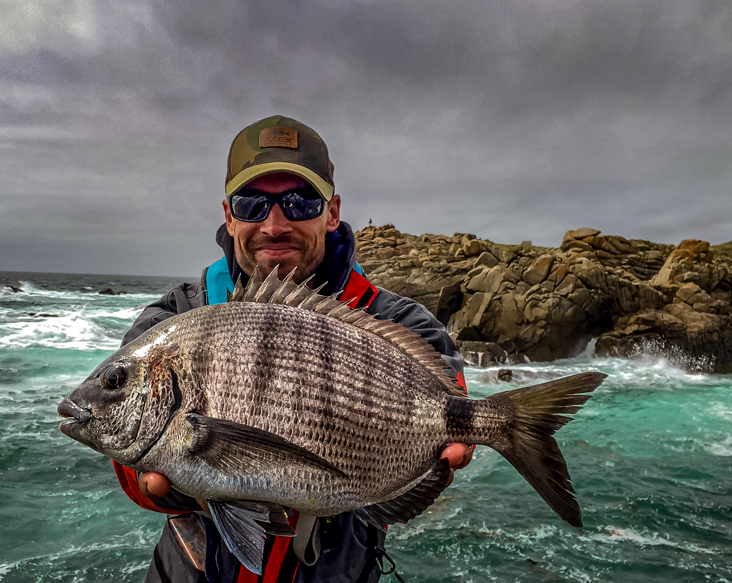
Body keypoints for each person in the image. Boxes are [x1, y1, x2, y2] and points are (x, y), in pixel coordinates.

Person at [114, 116, 473, 583]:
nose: (274, 224)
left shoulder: (401, 324)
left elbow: (454, 408)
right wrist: (173, 488)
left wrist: (442, 445)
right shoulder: (175, 319)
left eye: (301, 202)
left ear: (331, 211)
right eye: (252, 203)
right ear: (229, 215)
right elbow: (124, 445)